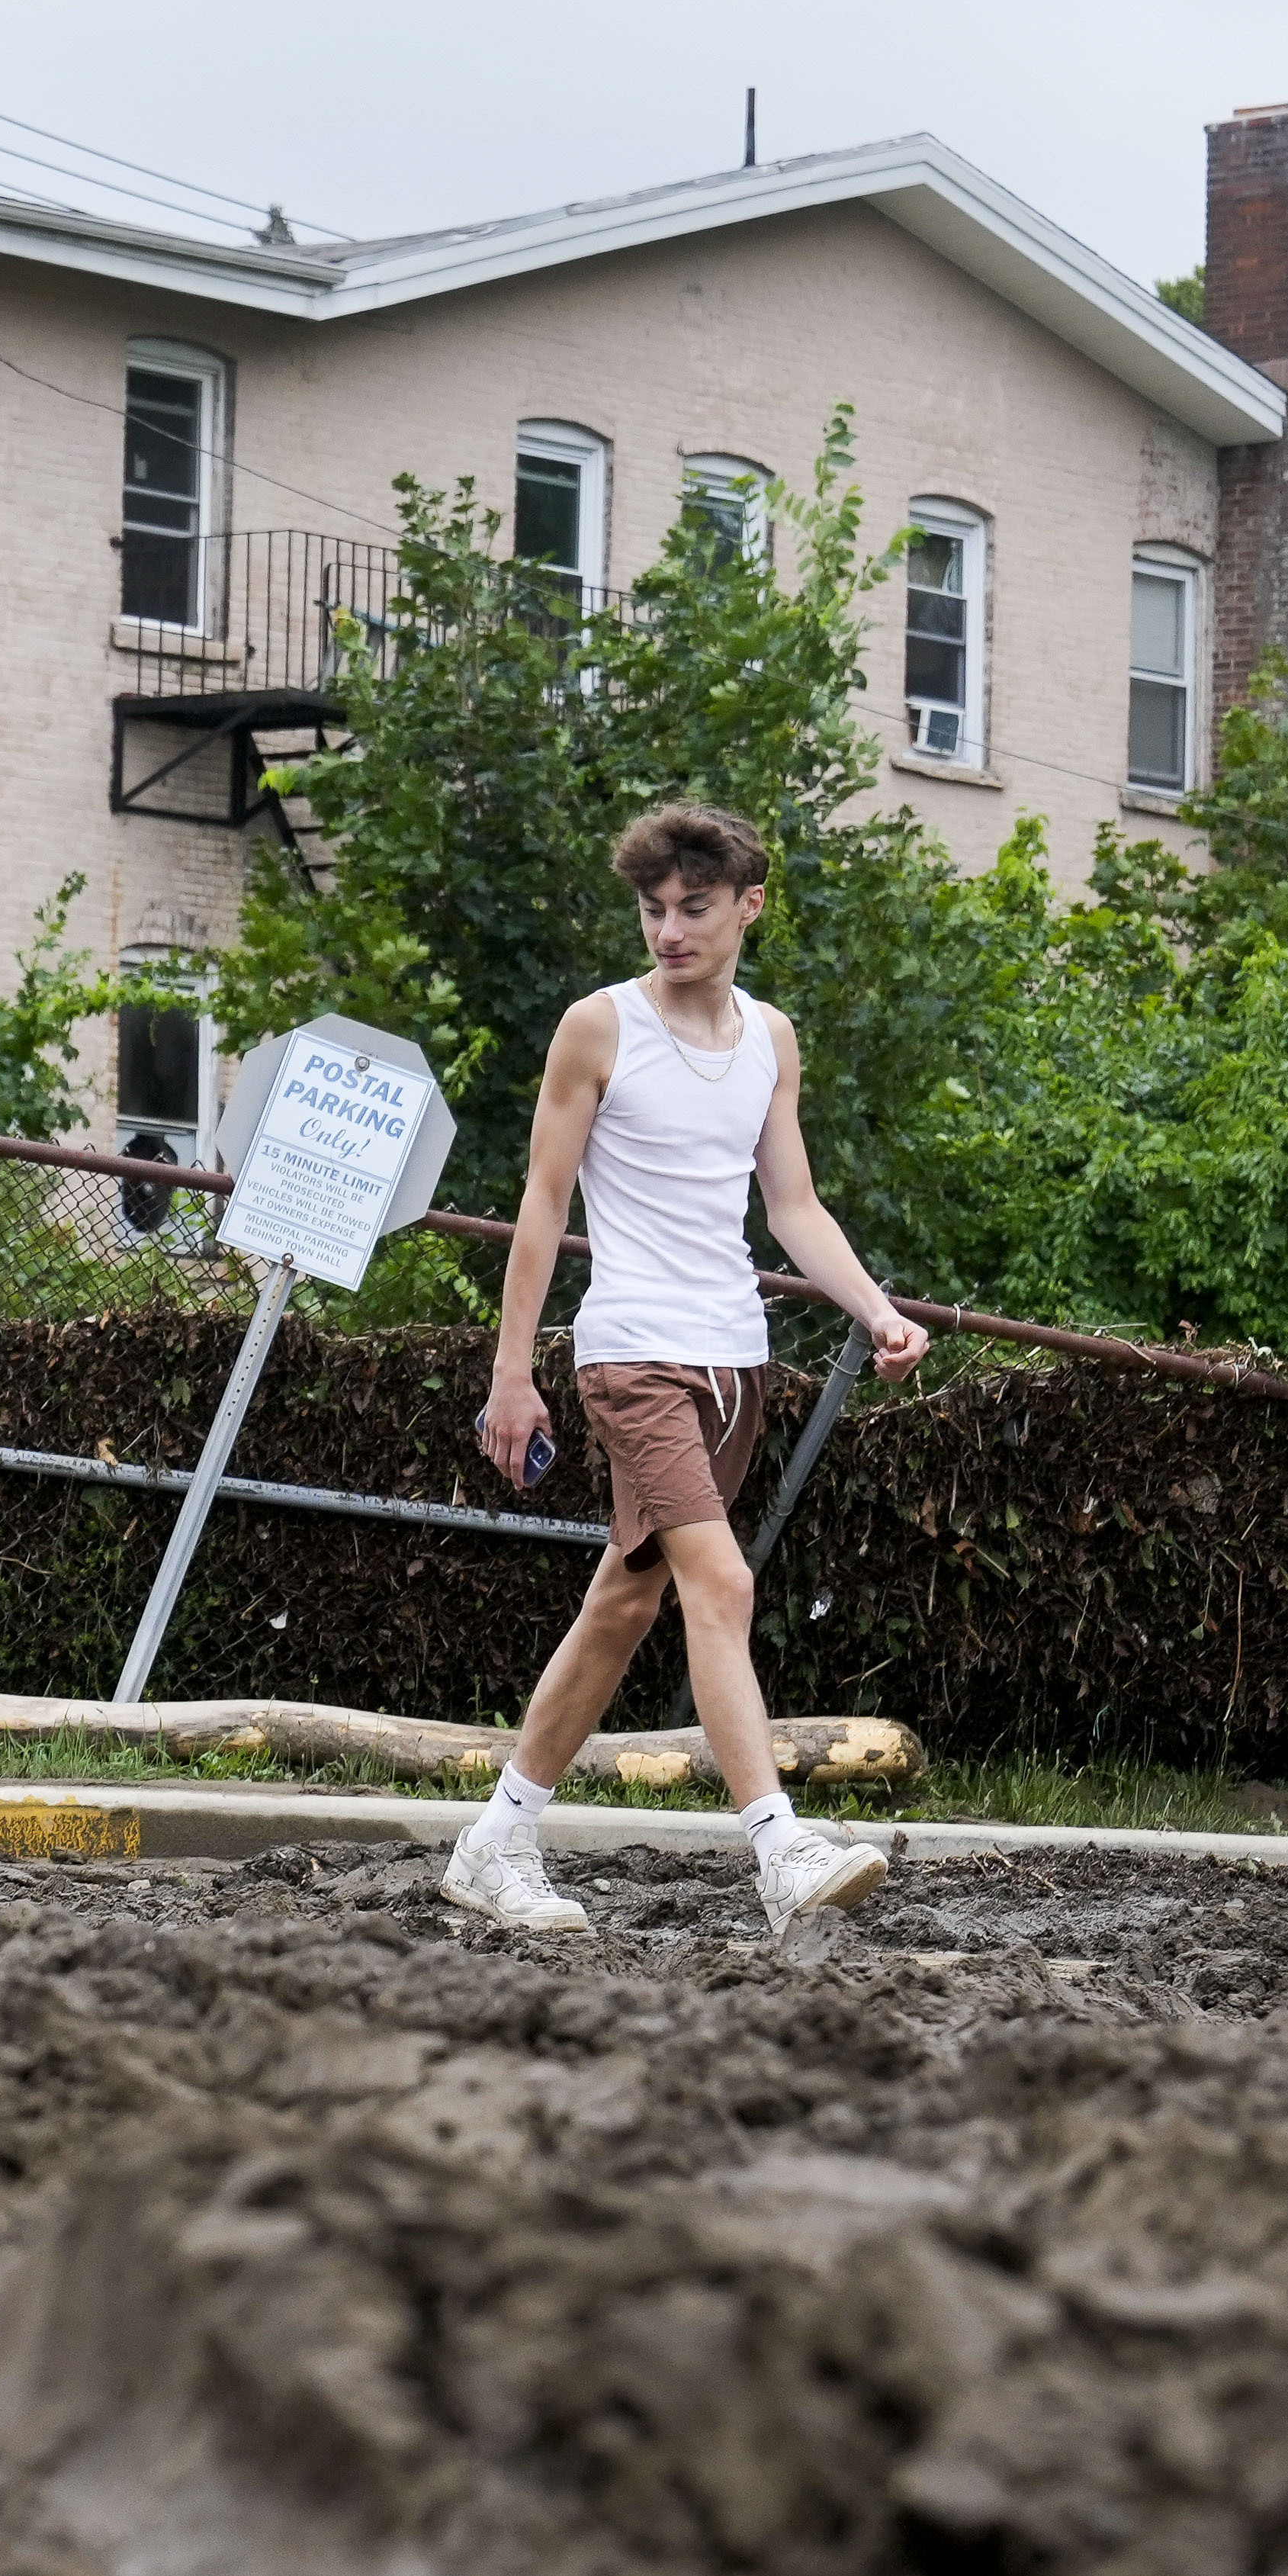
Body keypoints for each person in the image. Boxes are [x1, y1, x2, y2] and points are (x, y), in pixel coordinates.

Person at [442, 804, 929, 1941]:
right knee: (724, 1584)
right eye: (653, 910)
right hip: (632, 1356)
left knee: (627, 1600)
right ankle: (779, 1847)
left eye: (693, 909)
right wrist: (513, 1373)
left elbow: (792, 1206)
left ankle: (496, 1840)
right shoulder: (597, 1028)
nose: (669, 930)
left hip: (734, 1361)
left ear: (747, 907)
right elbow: (542, 1204)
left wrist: (876, 1310)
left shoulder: (772, 1039)